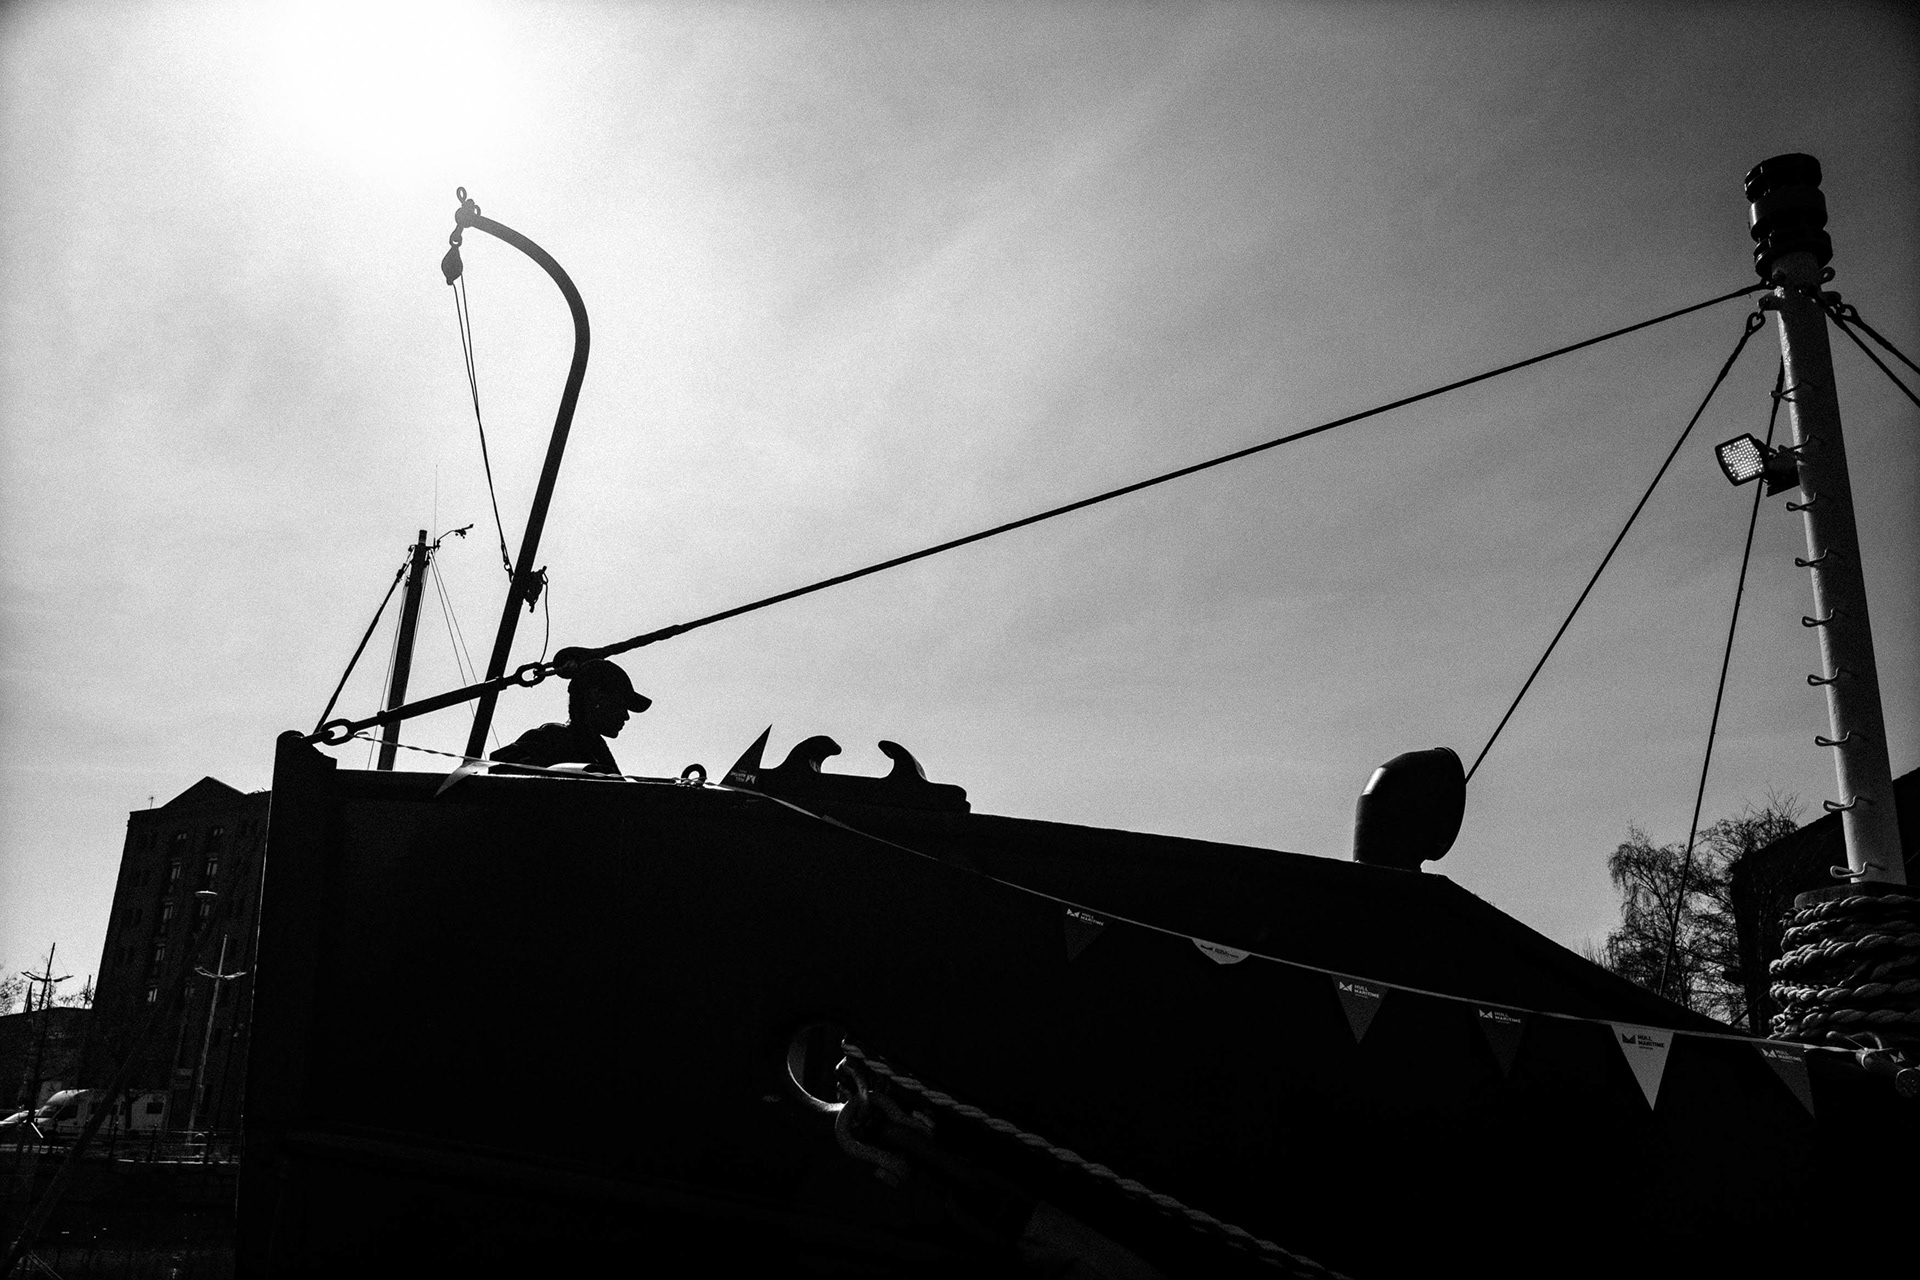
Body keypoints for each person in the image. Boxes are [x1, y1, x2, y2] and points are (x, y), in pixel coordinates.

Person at [488, 650, 651, 775]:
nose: (626, 716)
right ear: (596, 696)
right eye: (621, 705)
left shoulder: (596, 751)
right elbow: (500, 766)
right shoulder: (554, 738)